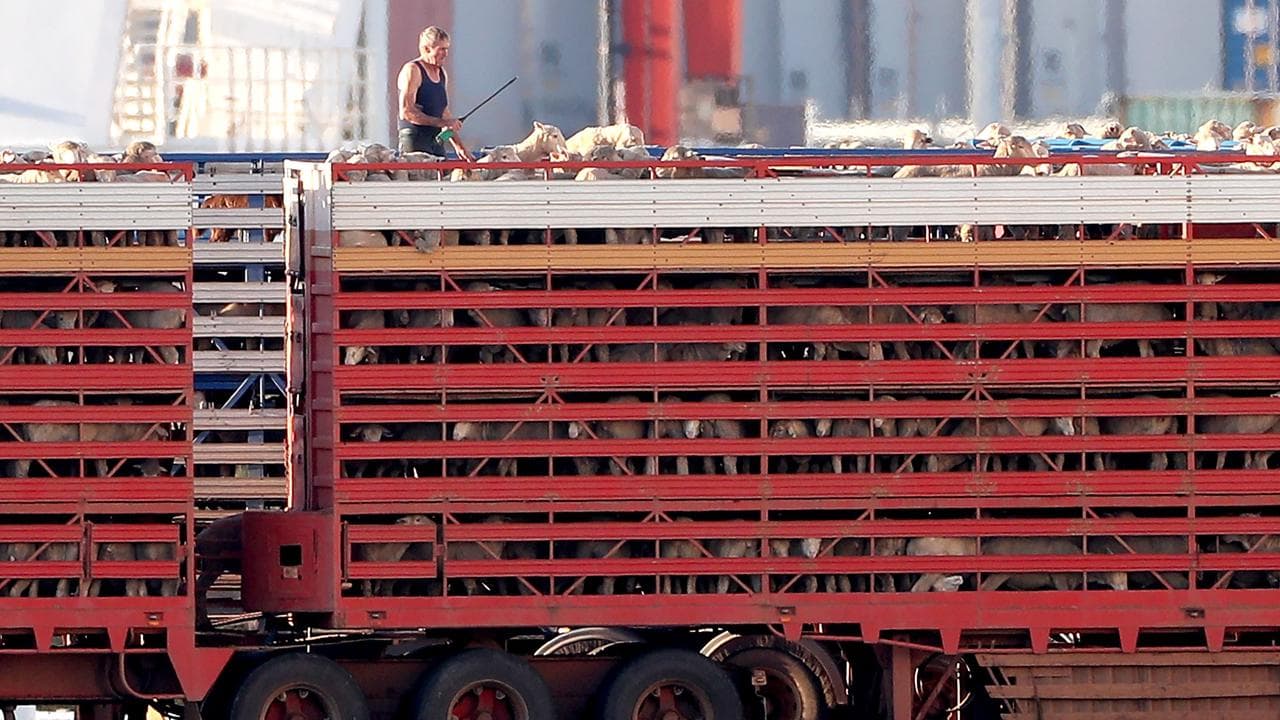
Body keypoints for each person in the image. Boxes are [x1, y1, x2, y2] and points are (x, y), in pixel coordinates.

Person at [397, 26, 471, 159]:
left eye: (447, 49)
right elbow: (407, 112)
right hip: (415, 140)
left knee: (443, 176)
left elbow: (444, 113)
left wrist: (460, 147)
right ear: (426, 49)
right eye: (441, 49)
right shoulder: (413, 70)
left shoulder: (442, 73)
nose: (446, 54)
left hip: (437, 140)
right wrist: (442, 123)